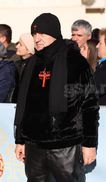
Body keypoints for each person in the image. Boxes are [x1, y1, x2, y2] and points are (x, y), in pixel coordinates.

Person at [14, 13, 99, 182]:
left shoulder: (74, 60)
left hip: (65, 146)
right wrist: (20, 140)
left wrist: (90, 144)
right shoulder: (31, 63)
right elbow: (24, 104)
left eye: (41, 34)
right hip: (34, 145)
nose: (36, 38)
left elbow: (89, 104)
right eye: (34, 34)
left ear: (53, 33)